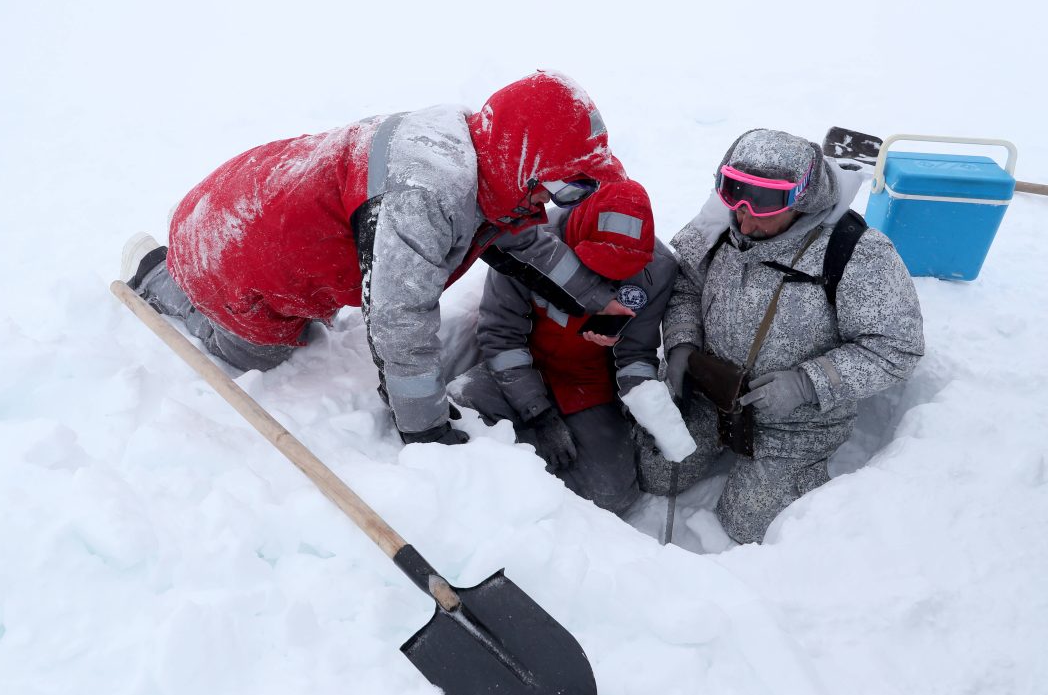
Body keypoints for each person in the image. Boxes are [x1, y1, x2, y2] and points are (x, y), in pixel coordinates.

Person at [120, 71, 630, 447]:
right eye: (567, 185)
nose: (561, 202)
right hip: (228, 244)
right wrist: (425, 428)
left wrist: (593, 301)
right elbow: (399, 319)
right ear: (521, 161)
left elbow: (523, 244)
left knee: (307, 320)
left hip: (255, 201)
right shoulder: (424, 194)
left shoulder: (484, 162)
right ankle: (159, 275)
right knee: (260, 352)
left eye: (580, 189)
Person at [640, 128, 924, 544]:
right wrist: (683, 342)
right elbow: (685, 283)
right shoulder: (720, 225)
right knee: (655, 473)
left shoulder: (857, 253)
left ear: (803, 200)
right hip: (710, 392)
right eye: (734, 198)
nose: (745, 219)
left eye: (764, 207)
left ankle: (800, 471)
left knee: (747, 522)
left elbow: (897, 348)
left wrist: (810, 382)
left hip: (795, 422)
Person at [449, 179, 677, 515]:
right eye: (598, 269)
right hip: (517, 370)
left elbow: (637, 355)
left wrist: (640, 403)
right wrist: (538, 413)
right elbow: (500, 336)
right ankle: (506, 489)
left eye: (620, 273)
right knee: (455, 413)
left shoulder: (659, 269)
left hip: (587, 384)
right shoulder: (528, 241)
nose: (607, 284)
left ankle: (534, 485)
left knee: (613, 496)